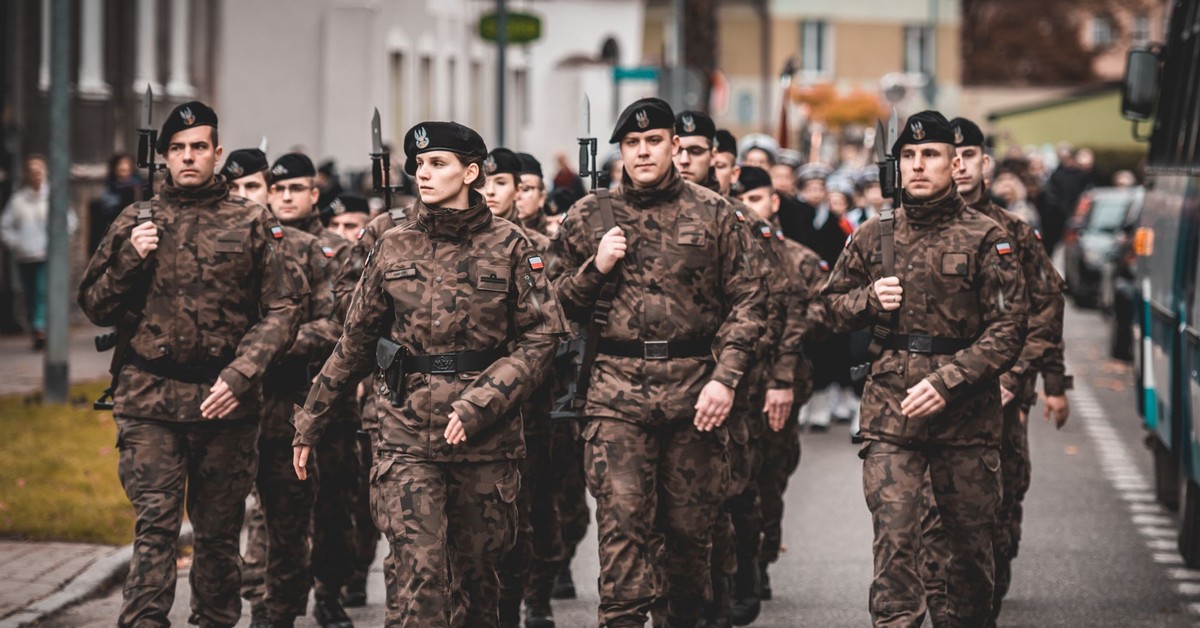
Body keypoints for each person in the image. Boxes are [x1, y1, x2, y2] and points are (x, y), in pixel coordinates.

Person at [293, 121, 568, 627]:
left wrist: (480, 402)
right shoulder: (393, 245)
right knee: (417, 580)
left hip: (486, 438)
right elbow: (353, 341)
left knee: (479, 582)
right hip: (405, 433)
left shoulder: (512, 246)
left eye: (437, 163)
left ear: (471, 172)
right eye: (419, 164)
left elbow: (543, 337)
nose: (424, 173)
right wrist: (310, 419)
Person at [78, 101, 303, 628]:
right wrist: (131, 256)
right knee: (154, 527)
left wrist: (242, 373)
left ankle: (214, 620)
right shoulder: (138, 219)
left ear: (217, 153)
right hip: (149, 401)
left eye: (198, 147)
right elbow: (93, 304)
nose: (187, 157)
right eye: (176, 149)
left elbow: (283, 308)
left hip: (224, 403)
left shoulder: (252, 221)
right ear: (163, 159)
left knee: (218, 535)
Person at [548, 97, 767, 627]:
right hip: (614, 392)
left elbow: (751, 302)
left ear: (674, 145)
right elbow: (549, 305)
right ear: (619, 150)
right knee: (623, 523)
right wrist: (594, 268)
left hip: (697, 392)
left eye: (653, 142)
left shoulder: (716, 214)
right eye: (631, 144)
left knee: (691, 534)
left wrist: (726, 377)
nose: (643, 152)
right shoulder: (588, 215)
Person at [822, 110, 1027, 626]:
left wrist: (948, 381)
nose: (918, 165)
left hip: (966, 419)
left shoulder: (988, 237)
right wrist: (867, 300)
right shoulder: (874, 236)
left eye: (930, 155)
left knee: (968, 553)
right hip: (892, 414)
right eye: (908, 156)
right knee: (895, 542)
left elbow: (1009, 328)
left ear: (954, 162)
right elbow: (826, 308)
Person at [916, 117, 1071, 625]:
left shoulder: (1012, 232)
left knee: (999, 507)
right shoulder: (909, 225)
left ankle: (985, 592)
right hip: (933, 395)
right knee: (930, 514)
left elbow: (1044, 308)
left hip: (999, 399)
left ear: (984, 163)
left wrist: (1025, 378)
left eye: (968, 156)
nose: (957, 165)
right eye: (948, 154)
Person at [268, 152, 359, 627]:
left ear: (313, 194)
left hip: (326, 400)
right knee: (272, 510)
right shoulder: (258, 242)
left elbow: (344, 324)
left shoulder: (336, 250)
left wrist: (268, 346)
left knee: (332, 506)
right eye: (278, 189)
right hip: (267, 400)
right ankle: (274, 601)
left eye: (296, 189)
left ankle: (328, 590)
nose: (286, 197)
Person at [734, 166, 828, 606]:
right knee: (731, 481)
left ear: (773, 203)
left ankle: (760, 559)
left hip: (778, 386)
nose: (747, 209)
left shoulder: (800, 260)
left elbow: (825, 316)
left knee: (769, 479)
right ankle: (735, 565)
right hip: (731, 385)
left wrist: (784, 353)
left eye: (756, 199)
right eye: (741, 200)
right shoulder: (726, 256)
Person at [482, 147, 562, 628]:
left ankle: (531, 599)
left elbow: (553, 324)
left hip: (528, 401)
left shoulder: (539, 248)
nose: (490, 192)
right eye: (485, 182)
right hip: (467, 398)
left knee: (526, 507)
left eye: (502, 183)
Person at [2, 154, 75, 350]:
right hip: (25, 256)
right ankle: (37, 329)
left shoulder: (54, 196)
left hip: (47, 255)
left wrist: (58, 244)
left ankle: (40, 328)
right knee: (29, 293)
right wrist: (16, 244)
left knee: (42, 292)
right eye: (32, 171)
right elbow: (5, 226)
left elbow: (69, 222)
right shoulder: (18, 199)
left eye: (39, 170)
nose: (35, 174)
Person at [89, 153, 142, 255]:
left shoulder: (140, 186)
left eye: (126, 164)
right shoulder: (110, 188)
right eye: (121, 164)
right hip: (114, 231)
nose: (124, 167)